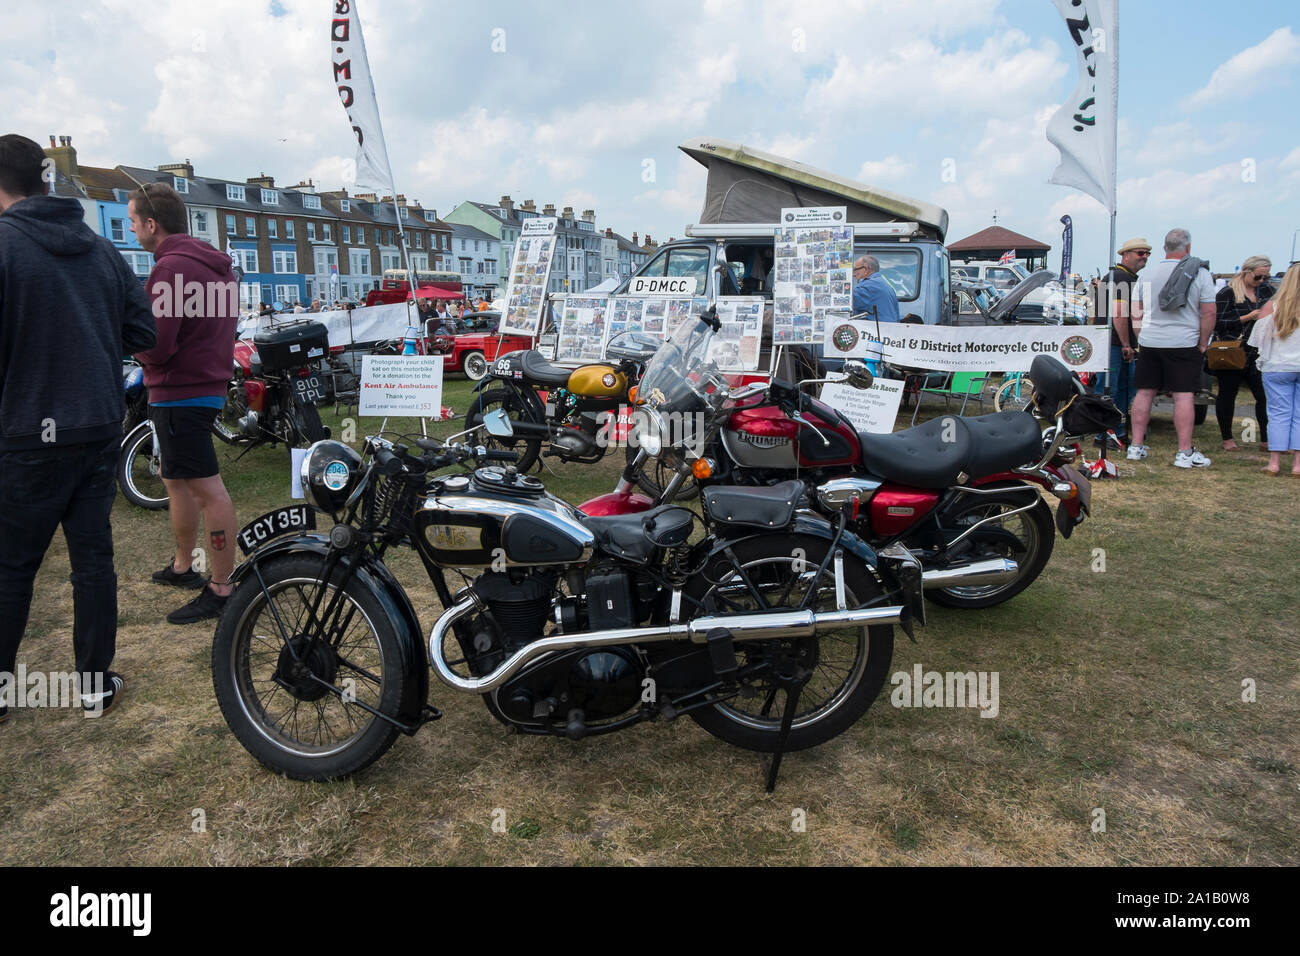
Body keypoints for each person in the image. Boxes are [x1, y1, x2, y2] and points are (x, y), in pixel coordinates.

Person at [0, 133, 156, 719]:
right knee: (92, 563)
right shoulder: (100, 249)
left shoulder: (7, 246)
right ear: (44, 179)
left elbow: (143, 336)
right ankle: (93, 684)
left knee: (14, 567)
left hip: (26, 434)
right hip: (94, 424)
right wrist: (87, 337)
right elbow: (143, 332)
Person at [128, 182, 240, 624]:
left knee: (205, 488)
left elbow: (156, 344)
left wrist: (133, 345)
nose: (134, 230)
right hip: (207, 385)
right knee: (177, 480)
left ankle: (221, 587)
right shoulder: (218, 267)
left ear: (152, 224)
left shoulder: (169, 269)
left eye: (135, 222)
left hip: (180, 391)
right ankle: (182, 566)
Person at [1126, 228, 1217, 467]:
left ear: (1165, 248)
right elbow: (1208, 312)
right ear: (1187, 248)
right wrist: (1203, 342)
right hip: (1184, 341)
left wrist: (1141, 337)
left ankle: (1135, 446)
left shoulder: (1147, 274)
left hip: (1150, 340)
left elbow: (1136, 312)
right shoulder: (1200, 274)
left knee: (1144, 392)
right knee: (1183, 395)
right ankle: (1184, 452)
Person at [1092, 237, 1151, 447]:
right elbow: (1118, 313)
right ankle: (1105, 433)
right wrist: (1127, 344)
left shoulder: (1124, 277)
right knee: (1110, 388)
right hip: (1114, 342)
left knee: (1123, 387)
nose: (1145, 257)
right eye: (1140, 253)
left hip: (1113, 341)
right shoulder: (1120, 277)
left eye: (1147, 254)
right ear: (1125, 255)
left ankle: (1116, 429)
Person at [1212, 256, 1273, 451]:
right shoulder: (1227, 293)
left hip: (1260, 353)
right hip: (1233, 352)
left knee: (1264, 397)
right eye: (1258, 277)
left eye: (1265, 277)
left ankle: (1266, 439)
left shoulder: (1267, 291)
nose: (1262, 281)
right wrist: (1247, 317)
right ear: (1247, 271)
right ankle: (1227, 439)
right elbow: (1217, 323)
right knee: (1228, 395)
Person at [1248, 264, 1300, 475]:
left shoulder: (1272, 306)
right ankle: (1297, 465)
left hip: (1277, 366)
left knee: (1278, 413)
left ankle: (1274, 462)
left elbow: (1258, 340)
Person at [852, 255, 900, 324]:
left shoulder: (867, 287)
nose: (854, 274)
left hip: (875, 332)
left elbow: (845, 300)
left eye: (855, 270)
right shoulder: (886, 286)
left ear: (866, 269)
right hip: (889, 331)